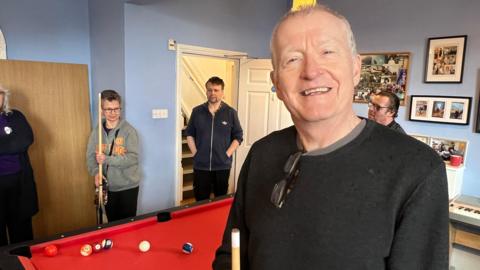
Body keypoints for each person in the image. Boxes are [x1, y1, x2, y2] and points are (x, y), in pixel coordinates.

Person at [213, 4, 448, 270]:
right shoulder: (261, 154)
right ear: (276, 83)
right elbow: (230, 256)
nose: (311, 71)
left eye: (327, 52)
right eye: (292, 59)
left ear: (356, 68)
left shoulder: (417, 169)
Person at [186, 76, 243, 201]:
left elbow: (238, 136)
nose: (213, 93)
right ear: (206, 91)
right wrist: (196, 153)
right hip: (201, 165)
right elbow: (189, 133)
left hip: (222, 165)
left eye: (216, 90)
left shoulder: (230, 112)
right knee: (200, 198)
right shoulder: (197, 111)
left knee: (220, 198)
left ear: (222, 92)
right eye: (210, 90)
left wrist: (226, 154)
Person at [86, 90, 140, 222]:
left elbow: (133, 158)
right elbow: (90, 155)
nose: (113, 113)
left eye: (116, 109)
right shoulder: (97, 132)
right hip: (107, 187)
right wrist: (96, 173)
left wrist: (107, 159)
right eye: (108, 109)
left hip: (128, 187)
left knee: (128, 224)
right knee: (112, 223)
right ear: (102, 110)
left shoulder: (129, 131)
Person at [0, 85, 38, 246]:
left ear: (4, 96)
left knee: (22, 233)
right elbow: (15, 143)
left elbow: (25, 140)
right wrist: (10, 143)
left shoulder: (16, 116)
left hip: (19, 184)